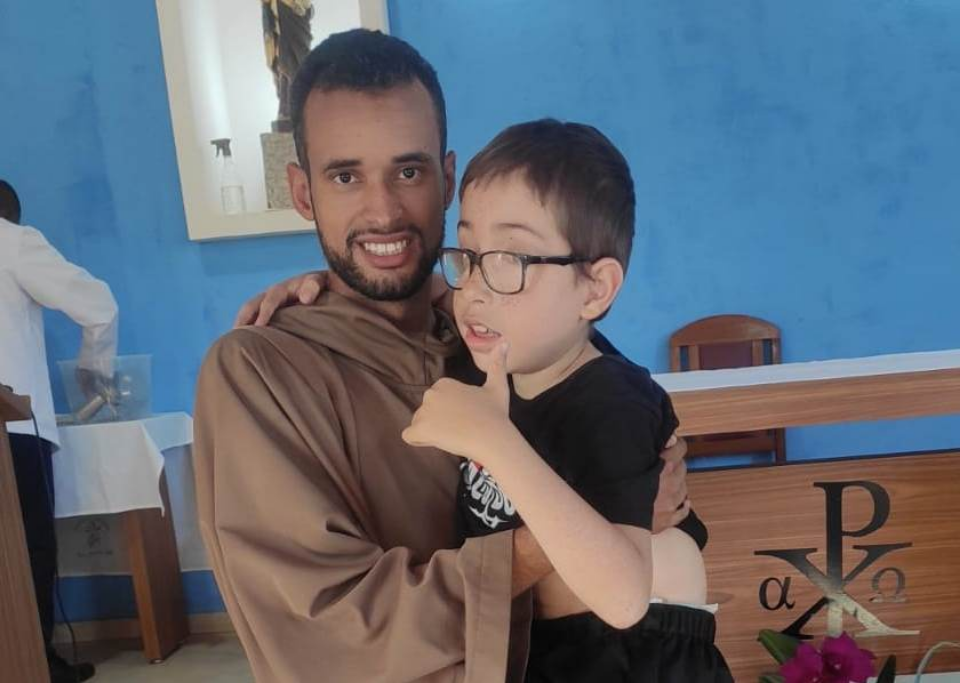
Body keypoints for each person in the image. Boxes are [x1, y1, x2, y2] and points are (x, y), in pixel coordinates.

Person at [198, 29, 689, 683]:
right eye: (345, 176)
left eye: (409, 171)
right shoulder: (261, 373)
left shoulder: (486, 329)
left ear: (447, 178)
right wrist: (581, 529)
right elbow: (326, 627)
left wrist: (624, 488)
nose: (384, 211)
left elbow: (612, 405)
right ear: (304, 192)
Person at [400, 119, 732, 682]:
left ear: (595, 289)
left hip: (636, 654)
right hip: (539, 648)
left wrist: (493, 440)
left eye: (511, 259)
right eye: (469, 253)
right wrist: (319, 289)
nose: (474, 286)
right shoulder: (500, 357)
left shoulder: (614, 400)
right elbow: (417, 297)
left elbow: (623, 599)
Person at [1, 179, 117, 683]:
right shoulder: (13, 241)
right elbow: (98, 305)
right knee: (27, 547)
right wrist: (94, 371)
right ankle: (35, 663)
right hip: (12, 430)